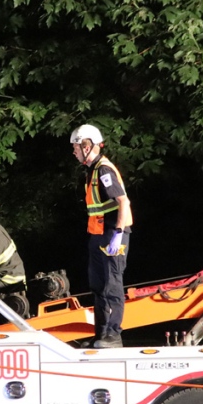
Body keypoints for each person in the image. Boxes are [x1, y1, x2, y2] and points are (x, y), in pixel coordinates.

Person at [71, 124, 133, 349]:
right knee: (98, 285)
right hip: (98, 234)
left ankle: (113, 335)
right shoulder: (93, 170)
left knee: (112, 284)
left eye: (76, 147)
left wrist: (117, 234)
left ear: (87, 146)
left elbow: (123, 202)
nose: (74, 152)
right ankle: (101, 334)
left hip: (111, 234)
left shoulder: (104, 170)